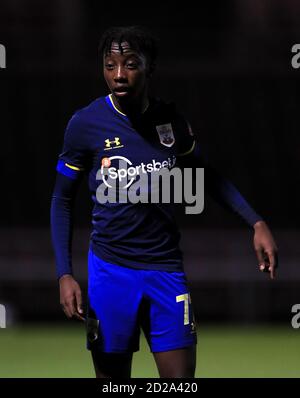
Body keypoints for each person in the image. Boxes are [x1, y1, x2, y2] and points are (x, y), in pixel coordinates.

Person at [50, 25, 278, 378]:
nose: (119, 74)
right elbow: (61, 199)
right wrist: (65, 273)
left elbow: (207, 176)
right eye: (110, 65)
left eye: (130, 64)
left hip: (166, 271)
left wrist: (256, 222)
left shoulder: (170, 122)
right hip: (110, 273)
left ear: (149, 67)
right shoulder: (85, 125)